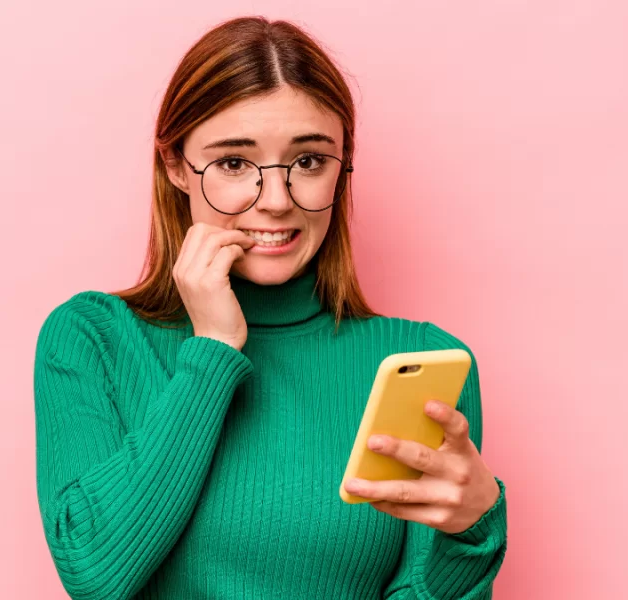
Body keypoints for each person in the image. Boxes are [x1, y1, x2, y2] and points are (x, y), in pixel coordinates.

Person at [33, 16, 507, 600]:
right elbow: (95, 577)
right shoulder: (94, 339)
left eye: (308, 161)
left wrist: (472, 534)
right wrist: (210, 352)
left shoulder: (419, 360)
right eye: (234, 163)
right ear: (176, 166)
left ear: (342, 165)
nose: (277, 201)